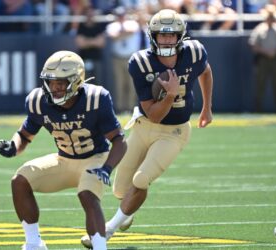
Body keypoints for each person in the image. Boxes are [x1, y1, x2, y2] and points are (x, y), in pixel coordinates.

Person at [81, 8, 213, 248]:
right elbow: (153, 113)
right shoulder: (140, 62)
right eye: (161, 35)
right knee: (121, 190)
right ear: (152, 36)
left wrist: (207, 107)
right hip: (145, 125)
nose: (166, 40)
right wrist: (170, 94)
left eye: (171, 35)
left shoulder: (194, 51)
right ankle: (127, 210)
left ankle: (108, 229)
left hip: (174, 131)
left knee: (141, 180)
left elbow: (205, 70)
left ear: (180, 36)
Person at [0, 50, 127, 250]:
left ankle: (100, 247)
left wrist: (107, 168)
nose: (54, 88)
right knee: (20, 181)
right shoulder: (38, 101)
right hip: (63, 160)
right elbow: (24, 135)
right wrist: (13, 147)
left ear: (76, 81)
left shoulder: (95, 98)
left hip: (95, 157)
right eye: (50, 82)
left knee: (87, 195)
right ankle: (34, 243)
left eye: (60, 83)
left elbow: (119, 141)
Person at [248, 4, 276, 113]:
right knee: (260, 85)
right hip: (263, 60)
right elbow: (253, 44)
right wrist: (265, 51)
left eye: (272, 17)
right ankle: (258, 109)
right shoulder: (259, 29)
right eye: (269, 17)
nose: (271, 19)